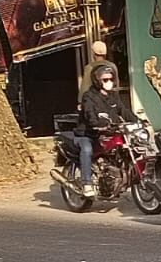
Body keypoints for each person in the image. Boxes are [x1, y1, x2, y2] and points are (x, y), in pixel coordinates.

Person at [54, 60, 137, 197]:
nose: (109, 82)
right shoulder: (89, 96)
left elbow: (124, 111)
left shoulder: (113, 96)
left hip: (107, 132)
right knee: (87, 149)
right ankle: (86, 183)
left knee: (124, 146)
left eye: (111, 79)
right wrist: (96, 124)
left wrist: (137, 121)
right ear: (98, 81)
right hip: (87, 134)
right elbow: (89, 114)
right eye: (105, 79)